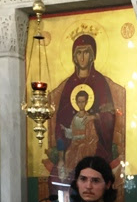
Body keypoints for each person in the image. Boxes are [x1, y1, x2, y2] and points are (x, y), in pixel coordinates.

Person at [49, 34, 123, 184]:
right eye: (79, 53)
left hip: (95, 143)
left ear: (92, 56)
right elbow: (61, 121)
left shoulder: (100, 82)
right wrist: (61, 156)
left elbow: (109, 115)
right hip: (72, 145)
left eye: (86, 52)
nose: (82, 57)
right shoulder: (69, 84)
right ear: (74, 57)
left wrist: (94, 118)